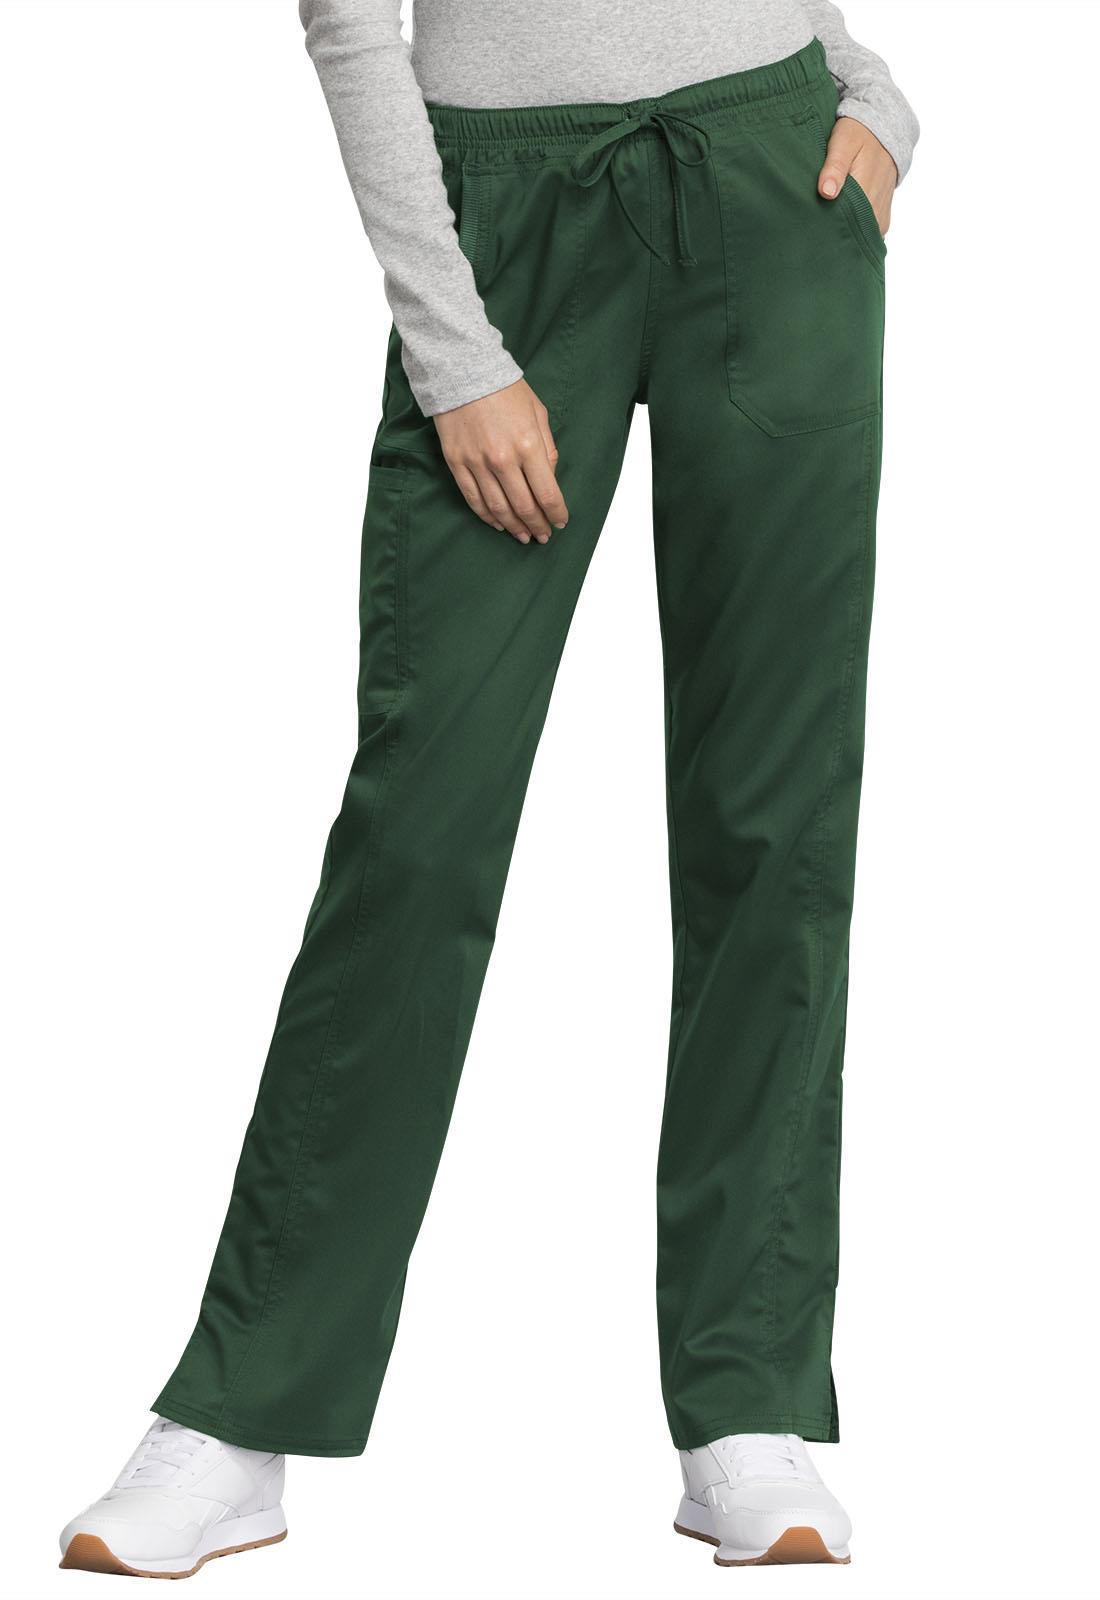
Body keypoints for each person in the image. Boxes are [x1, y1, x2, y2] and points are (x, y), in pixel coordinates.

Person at [59, 0, 918, 1578]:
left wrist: (868, 90)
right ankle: (242, 1411)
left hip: (775, 178)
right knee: (420, 831)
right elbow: (348, 25)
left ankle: (746, 1399)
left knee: (773, 819)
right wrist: (456, 357)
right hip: (510, 223)